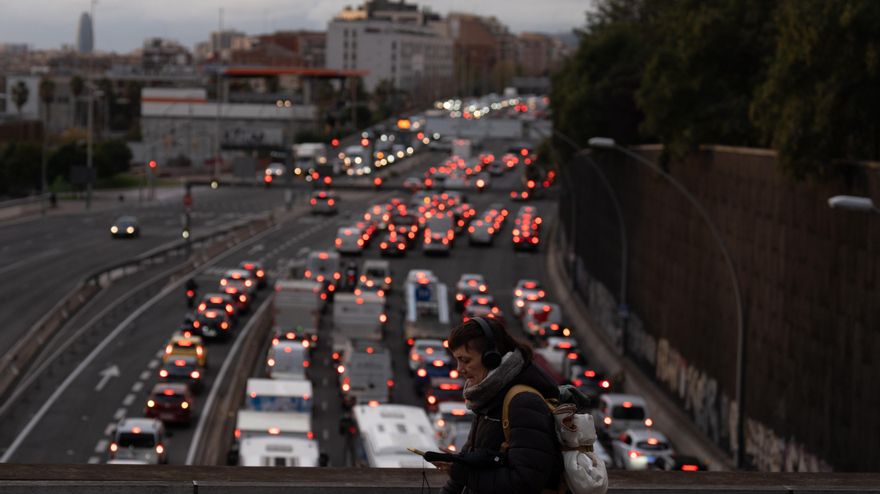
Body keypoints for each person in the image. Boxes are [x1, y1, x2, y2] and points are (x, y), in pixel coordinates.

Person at [438, 317, 563, 494]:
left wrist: (461, 473)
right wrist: (457, 469)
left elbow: (526, 482)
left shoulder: (523, 403)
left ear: (492, 358)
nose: (459, 368)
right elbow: (469, 466)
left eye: (465, 360)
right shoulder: (489, 397)